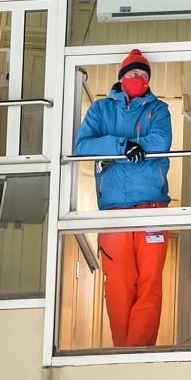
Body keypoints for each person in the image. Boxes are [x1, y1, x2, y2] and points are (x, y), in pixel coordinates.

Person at [74, 49, 173, 347]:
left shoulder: (159, 110)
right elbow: (82, 146)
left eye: (144, 76)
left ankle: (139, 351)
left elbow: (160, 142)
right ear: (121, 77)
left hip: (152, 208)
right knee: (117, 286)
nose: (138, 79)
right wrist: (123, 146)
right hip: (114, 211)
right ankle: (122, 352)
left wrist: (118, 156)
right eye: (133, 74)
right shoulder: (101, 110)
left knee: (149, 286)